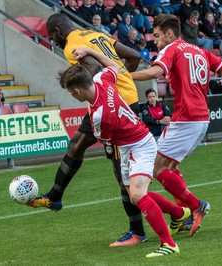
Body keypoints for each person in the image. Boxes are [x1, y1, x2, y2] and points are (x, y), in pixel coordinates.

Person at [28, 13, 149, 248]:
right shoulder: (95, 34)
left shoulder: (71, 45)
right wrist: (123, 79)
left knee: (120, 171)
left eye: (52, 38)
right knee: (77, 144)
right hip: (120, 97)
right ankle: (55, 197)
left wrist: (106, 92)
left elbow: (92, 68)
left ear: (57, 32)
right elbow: (133, 56)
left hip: (114, 105)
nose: (53, 42)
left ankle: (138, 231)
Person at [60, 46, 190, 258]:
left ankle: (169, 243)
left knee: (138, 194)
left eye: (70, 92)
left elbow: (103, 138)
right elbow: (113, 65)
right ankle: (178, 213)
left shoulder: (100, 115)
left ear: (77, 92)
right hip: (130, 144)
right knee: (134, 197)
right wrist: (87, 50)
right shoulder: (102, 80)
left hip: (140, 145)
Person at [130, 14, 222, 236]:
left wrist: (125, 76)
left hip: (186, 118)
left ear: (169, 33)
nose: (155, 42)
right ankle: (186, 215)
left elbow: (156, 72)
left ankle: (196, 206)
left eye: (157, 36)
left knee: (158, 169)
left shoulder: (172, 49)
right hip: (200, 118)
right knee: (170, 167)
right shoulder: (201, 51)